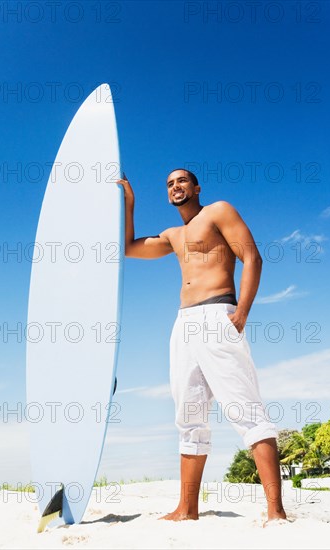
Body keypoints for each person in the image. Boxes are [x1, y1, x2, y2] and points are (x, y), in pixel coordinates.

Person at [116, 169, 287, 526]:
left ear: (196, 188)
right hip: (184, 324)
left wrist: (241, 312)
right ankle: (187, 509)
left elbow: (252, 257)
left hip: (219, 314)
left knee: (246, 408)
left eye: (182, 181)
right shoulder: (173, 235)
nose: (175, 186)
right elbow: (129, 249)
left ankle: (276, 512)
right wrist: (129, 203)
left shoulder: (218, 211)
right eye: (168, 183)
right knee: (188, 417)